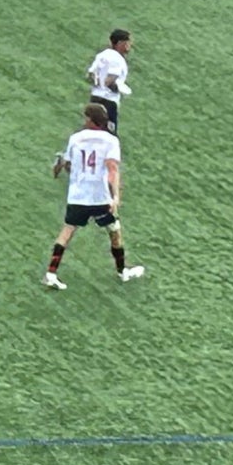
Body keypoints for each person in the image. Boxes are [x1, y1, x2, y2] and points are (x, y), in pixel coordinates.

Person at [44, 102, 146, 290]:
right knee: (114, 230)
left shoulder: (76, 138)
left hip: (78, 195)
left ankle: (51, 273)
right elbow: (112, 169)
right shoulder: (110, 141)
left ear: (91, 120)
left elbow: (68, 164)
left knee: (67, 232)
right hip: (99, 196)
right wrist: (115, 196)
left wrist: (59, 167)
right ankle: (122, 271)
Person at [86, 29, 133, 132]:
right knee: (108, 134)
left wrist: (98, 83)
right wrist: (118, 88)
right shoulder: (117, 59)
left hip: (95, 98)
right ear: (120, 43)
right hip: (108, 101)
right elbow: (110, 80)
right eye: (128, 42)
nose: (130, 45)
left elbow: (91, 75)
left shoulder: (102, 55)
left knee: (91, 130)